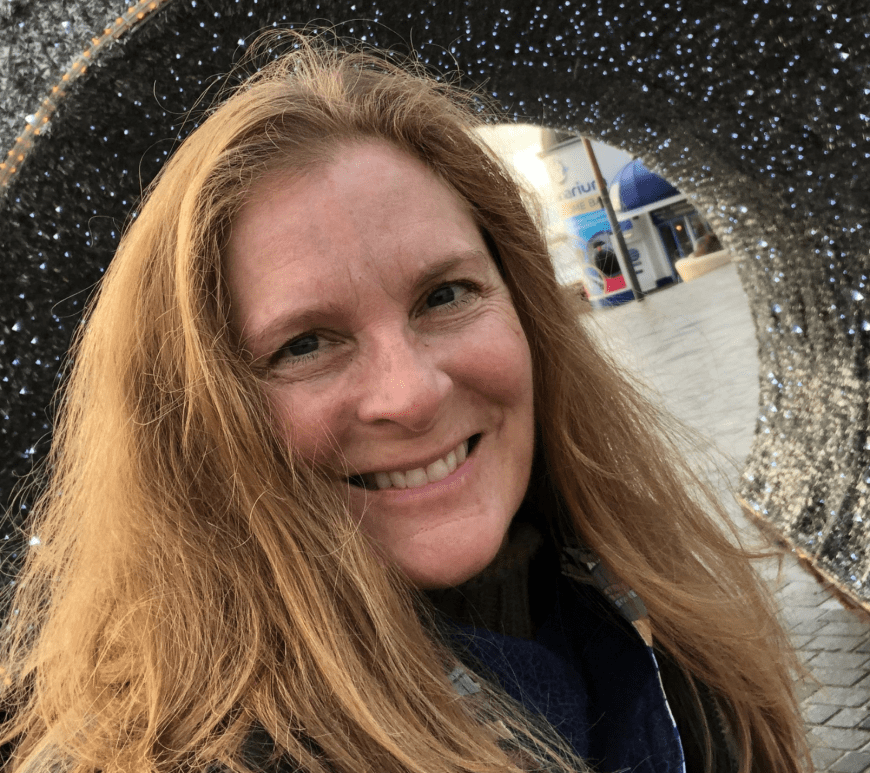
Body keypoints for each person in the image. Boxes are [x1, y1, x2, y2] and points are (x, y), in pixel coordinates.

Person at [0, 31, 810, 773]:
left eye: (445, 294)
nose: (412, 395)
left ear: (524, 304)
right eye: (305, 344)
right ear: (191, 423)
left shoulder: (660, 613)